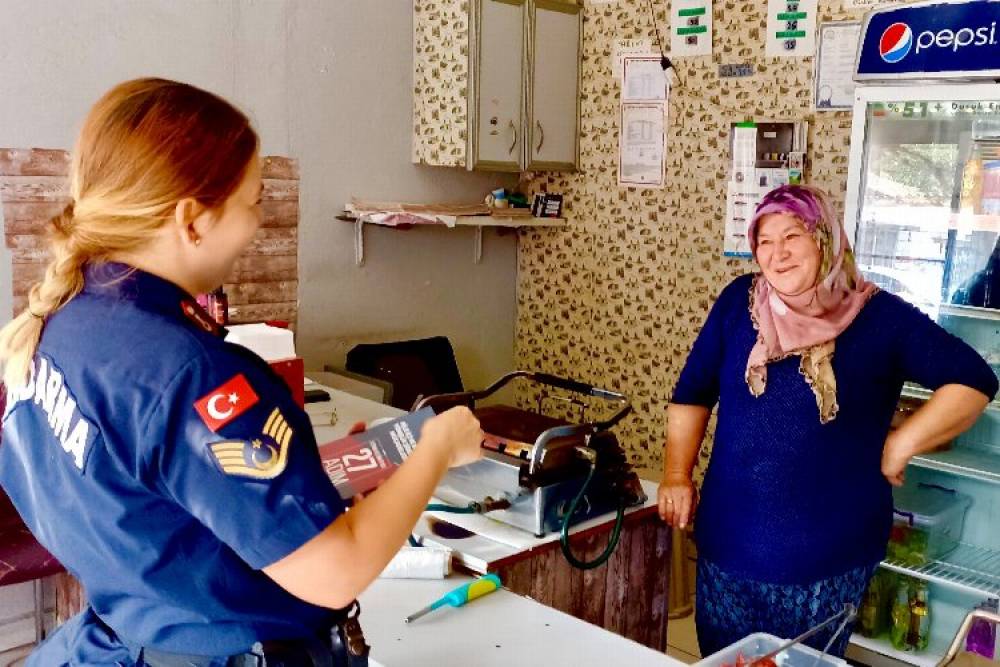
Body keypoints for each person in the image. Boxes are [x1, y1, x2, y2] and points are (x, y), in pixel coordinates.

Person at [0, 78, 483, 666]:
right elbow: (337, 573)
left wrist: (307, 480)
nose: (257, 225)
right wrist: (435, 449)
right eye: (252, 203)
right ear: (192, 220)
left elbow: (150, 499)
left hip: (119, 639)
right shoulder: (193, 374)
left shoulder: (58, 324)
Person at [657, 185, 998, 657]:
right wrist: (676, 474)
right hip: (727, 543)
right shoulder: (739, 303)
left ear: (824, 238)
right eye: (764, 241)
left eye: (792, 236)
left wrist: (901, 443)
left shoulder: (879, 317)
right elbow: (692, 394)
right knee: (725, 658)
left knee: (802, 663)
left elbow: (973, 379)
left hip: (827, 557)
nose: (777, 254)